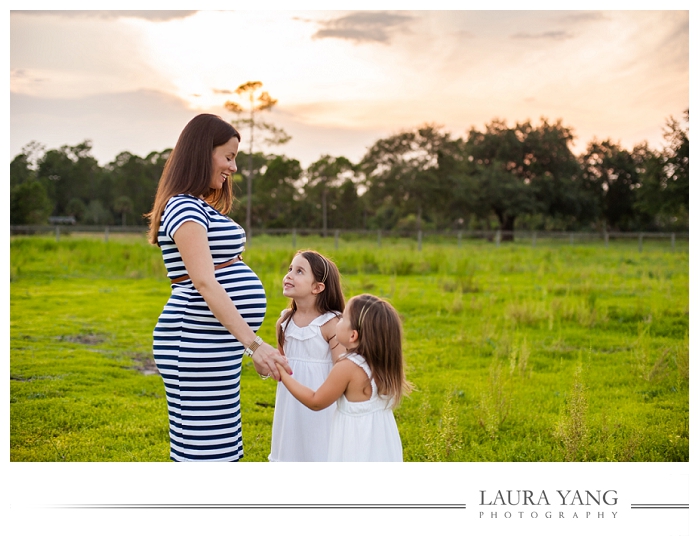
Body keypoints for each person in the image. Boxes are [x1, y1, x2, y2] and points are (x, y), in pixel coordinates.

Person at [147, 113, 290, 462]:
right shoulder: (183, 206)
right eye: (228, 156)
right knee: (206, 451)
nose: (234, 167)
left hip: (211, 342)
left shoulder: (196, 206)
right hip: (194, 343)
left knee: (223, 445)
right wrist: (255, 345)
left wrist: (244, 346)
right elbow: (204, 282)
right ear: (201, 153)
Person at [275, 294, 412, 461]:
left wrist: (283, 373)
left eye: (342, 318)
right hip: (383, 442)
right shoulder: (381, 365)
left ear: (353, 335)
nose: (337, 320)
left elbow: (316, 401)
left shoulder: (347, 367)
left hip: (356, 443)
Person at [269, 250, 345, 462]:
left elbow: (343, 369)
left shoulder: (332, 323)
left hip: (323, 404)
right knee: (291, 450)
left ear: (317, 287)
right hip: (290, 405)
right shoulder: (284, 322)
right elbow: (281, 365)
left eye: (299, 271)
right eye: (290, 269)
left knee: (319, 451)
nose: (289, 275)